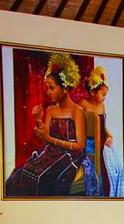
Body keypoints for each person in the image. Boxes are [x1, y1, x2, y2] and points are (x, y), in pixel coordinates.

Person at [5, 52, 94, 197]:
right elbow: (45, 139)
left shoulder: (77, 111)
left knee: (42, 178)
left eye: (51, 88)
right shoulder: (51, 110)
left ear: (64, 88)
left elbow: (80, 145)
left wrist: (51, 139)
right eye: (47, 88)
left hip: (71, 155)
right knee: (22, 173)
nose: (48, 92)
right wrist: (38, 119)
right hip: (51, 152)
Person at [78, 66, 124, 197]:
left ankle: (110, 193)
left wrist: (110, 136)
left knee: (117, 167)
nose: (104, 98)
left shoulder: (102, 107)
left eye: (105, 95)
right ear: (93, 92)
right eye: (102, 94)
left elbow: (103, 126)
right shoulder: (83, 103)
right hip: (88, 143)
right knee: (94, 166)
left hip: (102, 142)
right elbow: (77, 124)